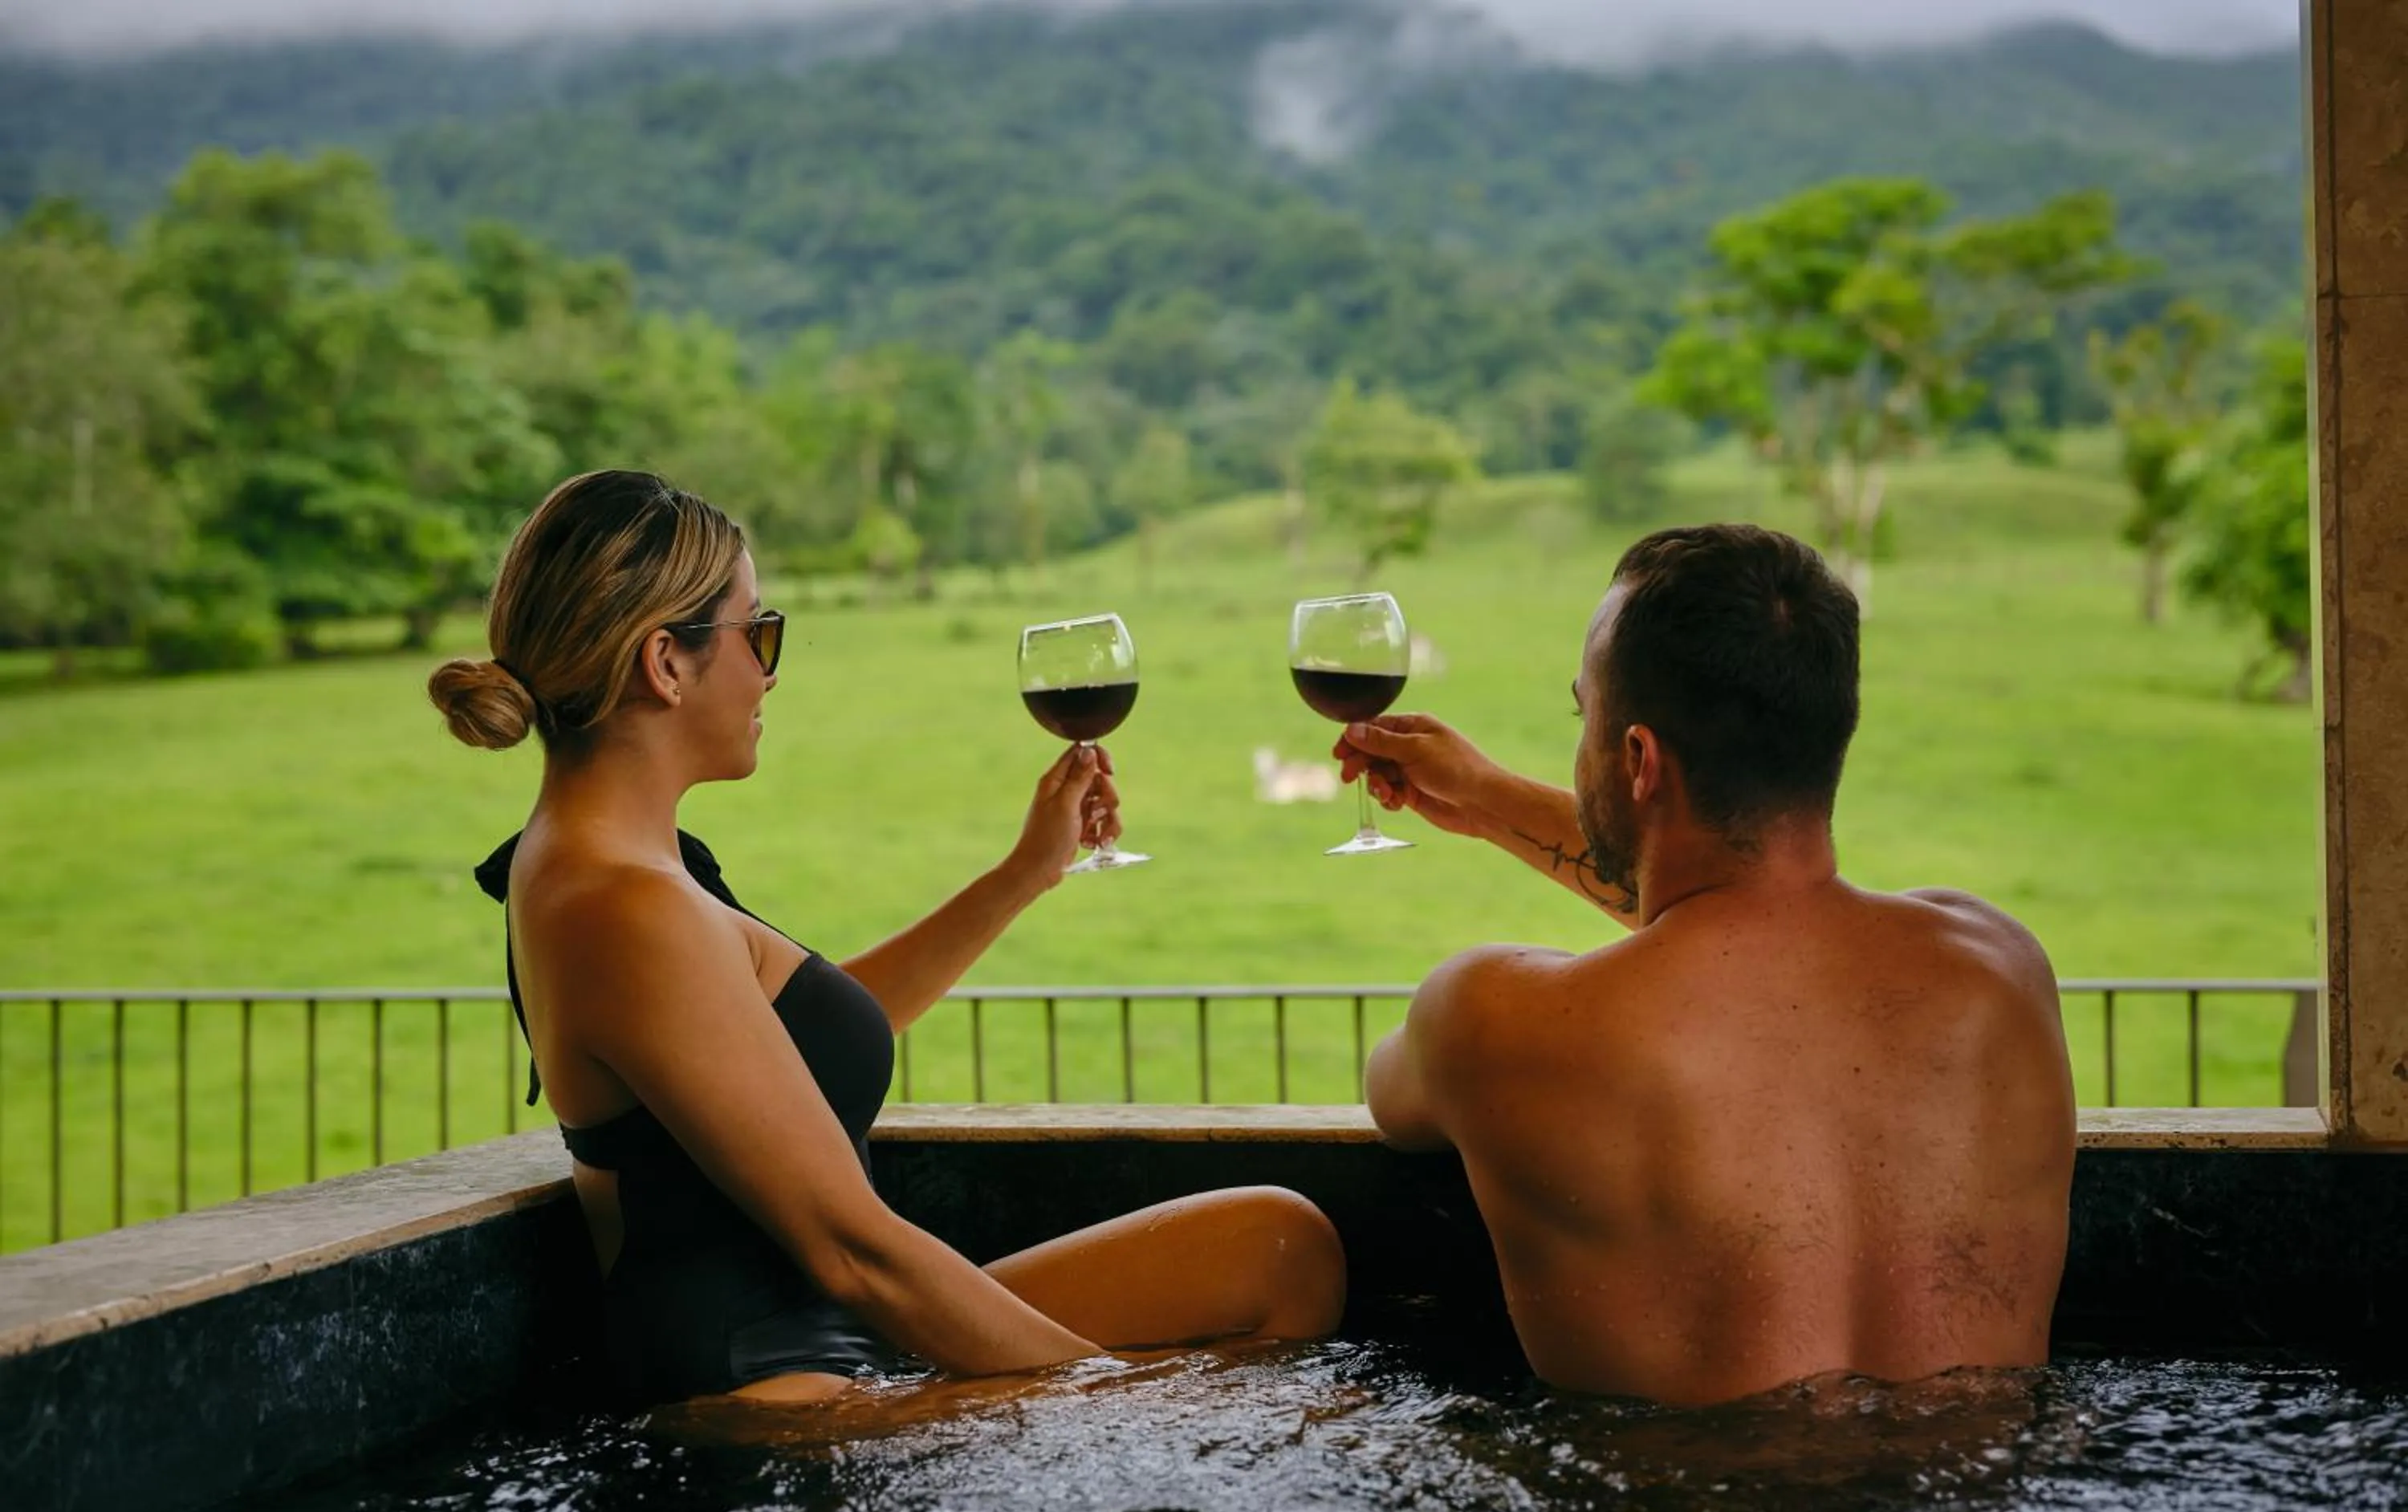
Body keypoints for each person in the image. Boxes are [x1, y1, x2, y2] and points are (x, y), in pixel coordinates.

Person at [429, 469, 1343, 1409]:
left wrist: (1023, 874)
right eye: (759, 633)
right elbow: (857, 1251)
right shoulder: (618, 905)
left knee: (1278, 1248)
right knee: (1271, 1419)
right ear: (666, 662)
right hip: (778, 1389)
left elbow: (788, 1049)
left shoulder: (625, 867)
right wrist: (1117, 1405)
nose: (771, 670)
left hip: (845, 1334)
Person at [1335, 523, 2075, 1407]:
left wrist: (1497, 803)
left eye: (1587, 719)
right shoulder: (2002, 973)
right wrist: (1491, 800)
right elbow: (1760, 921)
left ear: (1639, 759)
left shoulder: (1486, 1018)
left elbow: (1395, 1098)